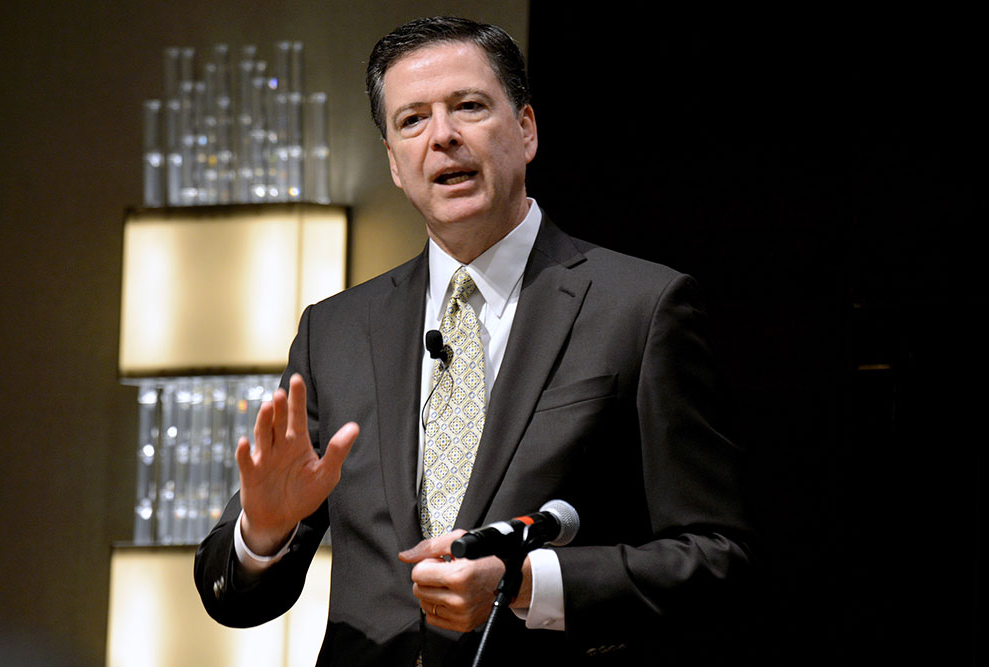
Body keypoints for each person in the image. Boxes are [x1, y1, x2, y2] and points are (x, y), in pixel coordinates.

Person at [195, 16, 752, 666]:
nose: (443, 136)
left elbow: (718, 558)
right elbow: (234, 600)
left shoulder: (641, 306)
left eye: (468, 106)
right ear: (394, 163)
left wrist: (529, 585)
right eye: (412, 120)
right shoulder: (335, 331)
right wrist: (263, 532)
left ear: (526, 129)